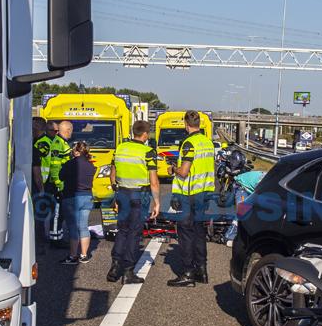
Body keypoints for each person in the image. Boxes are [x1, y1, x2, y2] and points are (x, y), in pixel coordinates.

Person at [106, 120, 160, 284]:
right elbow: (154, 181)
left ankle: (115, 267)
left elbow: (112, 174)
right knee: (134, 232)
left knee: (122, 230)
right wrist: (156, 202)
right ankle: (128, 271)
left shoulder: (120, 149)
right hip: (139, 194)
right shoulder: (148, 152)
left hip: (122, 193)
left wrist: (116, 193)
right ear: (145, 134)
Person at [167, 110, 215, 288]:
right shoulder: (208, 143)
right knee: (199, 232)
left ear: (186, 124)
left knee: (186, 233)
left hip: (189, 195)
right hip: (205, 193)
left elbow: (184, 171)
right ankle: (202, 271)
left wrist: (173, 169)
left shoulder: (188, 143)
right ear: (200, 123)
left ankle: (188, 273)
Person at [59, 141, 95, 265]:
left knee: (73, 227)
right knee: (84, 226)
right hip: (87, 196)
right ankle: (84, 255)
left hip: (72, 196)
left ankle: (73, 255)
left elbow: (61, 177)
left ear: (76, 151)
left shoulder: (70, 164)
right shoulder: (91, 166)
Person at [49, 121, 73, 242]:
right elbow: (55, 166)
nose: (71, 133)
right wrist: (58, 184)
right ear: (67, 130)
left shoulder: (62, 143)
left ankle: (58, 236)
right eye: (71, 130)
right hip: (59, 184)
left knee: (61, 213)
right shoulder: (59, 143)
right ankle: (55, 239)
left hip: (63, 183)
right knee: (57, 213)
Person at [31, 117, 49, 255]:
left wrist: (41, 188)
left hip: (42, 184)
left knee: (38, 217)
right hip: (37, 184)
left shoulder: (41, 143)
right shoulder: (35, 143)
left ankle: (40, 244)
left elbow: (37, 171)